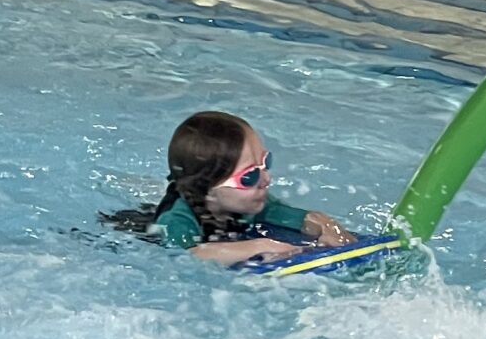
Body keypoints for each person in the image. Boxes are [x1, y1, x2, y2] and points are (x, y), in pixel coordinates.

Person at [115, 112, 348, 266]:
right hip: (140, 234)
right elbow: (188, 254)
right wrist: (261, 246)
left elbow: (301, 217)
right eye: (249, 176)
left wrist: (328, 228)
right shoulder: (176, 220)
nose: (266, 179)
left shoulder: (253, 202)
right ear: (209, 189)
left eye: (265, 163)